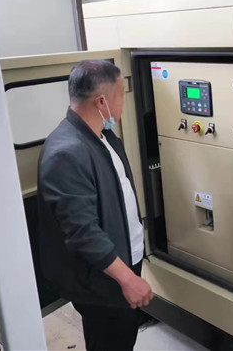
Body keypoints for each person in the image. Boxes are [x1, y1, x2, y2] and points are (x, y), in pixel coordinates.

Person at [38, 60, 153, 351]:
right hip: (103, 279)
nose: (124, 102)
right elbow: (83, 232)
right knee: (111, 341)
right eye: (122, 94)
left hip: (123, 259)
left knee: (123, 335)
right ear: (102, 101)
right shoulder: (66, 153)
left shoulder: (102, 137)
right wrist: (127, 279)